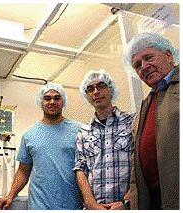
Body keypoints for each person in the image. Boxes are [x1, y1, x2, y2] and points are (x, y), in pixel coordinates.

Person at [0, 82, 81, 210]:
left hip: (72, 206)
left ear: (63, 101)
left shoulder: (79, 131)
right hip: (39, 206)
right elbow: (23, 170)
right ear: (41, 101)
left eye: (57, 98)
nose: (52, 102)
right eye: (47, 98)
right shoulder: (30, 134)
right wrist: (10, 194)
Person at [122, 33, 179, 210]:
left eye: (148, 58)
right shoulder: (145, 105)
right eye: (137, 65)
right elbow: (136, 162)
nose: (144, 67)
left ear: (169, 56)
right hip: (153, 199)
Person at [73, 70, 135, 210]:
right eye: (90, 89)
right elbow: (80, 169)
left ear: (110, 89)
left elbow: (142, 163)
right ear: (87, 96)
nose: (96, 92)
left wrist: (127, 202)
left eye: (101, 86)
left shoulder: (132, 122)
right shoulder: (83, 132)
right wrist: (91, 203)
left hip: (127, 207)